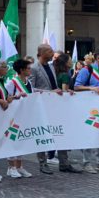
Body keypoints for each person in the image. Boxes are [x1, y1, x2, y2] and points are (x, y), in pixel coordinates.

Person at [29, 43, 68, 174]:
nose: (53, 54)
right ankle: (43, 162)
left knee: (61, 132)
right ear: (42, 53)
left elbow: (54, 86)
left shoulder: (51, 67)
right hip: (41, 106)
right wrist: (50, 92)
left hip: (54, 105)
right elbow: (31, 88)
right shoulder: (34, 68)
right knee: (42, 133)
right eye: (50, 51)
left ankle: (64, 162)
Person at [4, 59, 34, 179]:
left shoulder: (28, 82)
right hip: (13, 116)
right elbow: (6, 97)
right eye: (28, 68)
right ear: (21, 70)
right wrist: (17, 96)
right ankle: (11, 167)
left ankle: (19, 166)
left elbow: (33, 93)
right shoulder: (12, 82)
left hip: (24, 115)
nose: (30, 70)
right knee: (12, 140)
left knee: (22, 140)